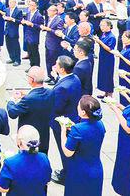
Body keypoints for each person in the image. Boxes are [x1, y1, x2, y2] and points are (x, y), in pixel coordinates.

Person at [58, 95, 105, 196]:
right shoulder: (100, 124)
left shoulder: (78, 130)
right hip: (96, 169)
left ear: (83, 112)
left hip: (79, 171)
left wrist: (63, 131)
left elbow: (67, 152)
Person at [50, 55, 82, 185]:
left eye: (57, 64)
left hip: (62, 123)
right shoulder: (74, 78)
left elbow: (56, 107)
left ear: (62, 69)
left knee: (64, 150)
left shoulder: (62, 88)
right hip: (73, 115)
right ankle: (68, 171)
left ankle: (67, 175)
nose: (55, 65)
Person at [7, 66, 53, 154]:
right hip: (43, 136)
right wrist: (27, 95)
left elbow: (12, 113)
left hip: (28, 138)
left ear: (31, 80)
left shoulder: (28, 100)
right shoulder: (49, 92)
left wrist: (11, 100)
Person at [0, 125, 51, 195]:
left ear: (19, 142)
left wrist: (3, 163)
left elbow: (2, 188)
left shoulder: (10, 162)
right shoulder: (44, 158)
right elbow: (47, 181)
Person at [96, 20, 117, 98]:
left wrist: (100, 42)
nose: (102, 27)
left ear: (109, 26)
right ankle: (105, 92)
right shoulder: (104, 34)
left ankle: (110, 94)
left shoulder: (112, 37)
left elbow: (109, 48)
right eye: (101, 25)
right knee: (103, 75)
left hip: (108, 58)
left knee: (108, 75)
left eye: (103, 25)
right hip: (102, 56)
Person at [2, 0, 23, 66]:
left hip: (14, 31)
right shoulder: (7, 10)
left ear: (15, 3)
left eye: (11, 2)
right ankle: (12, 58)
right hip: (7, 30)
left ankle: (17, 60)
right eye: (9, 2)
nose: (10, 4)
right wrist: (5, 18)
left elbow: (20, 21)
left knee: (15, 46)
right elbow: (5, 17)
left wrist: (13, 19)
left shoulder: (18, 11)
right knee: (9, 45)